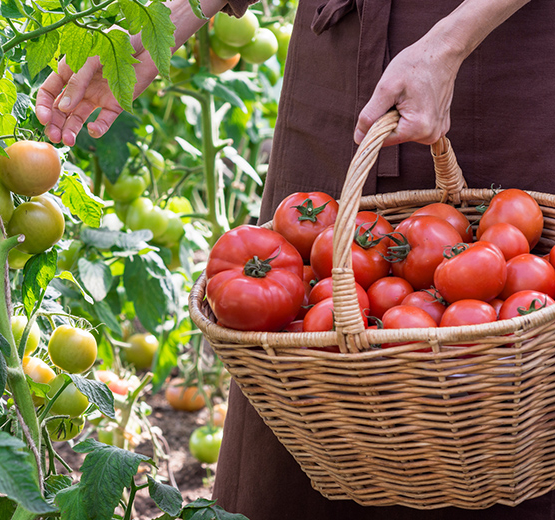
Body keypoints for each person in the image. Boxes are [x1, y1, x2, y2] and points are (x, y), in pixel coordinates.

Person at [36, 0, 555, 518]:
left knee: (492, 395)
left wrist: (449, 42)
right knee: (296, 345)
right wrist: (165, 25)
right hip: (337, 58)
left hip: (495, 55)